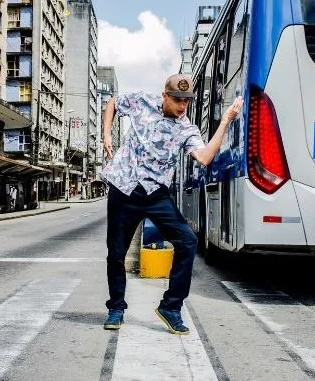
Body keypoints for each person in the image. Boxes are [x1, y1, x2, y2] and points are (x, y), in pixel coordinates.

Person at [100, 73, 242, 335]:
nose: (182, 106)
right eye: (177, 100)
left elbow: (205, 157)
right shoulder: (142, 101)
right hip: (124, 187)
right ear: (165, 96)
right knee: (116, 253)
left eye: (186, 101)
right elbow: (112, 103)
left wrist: (226, 121)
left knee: (187, 241)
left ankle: (171, 307)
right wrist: (106, 134)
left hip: (156, 194)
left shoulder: (187, 128)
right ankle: (116, 307)